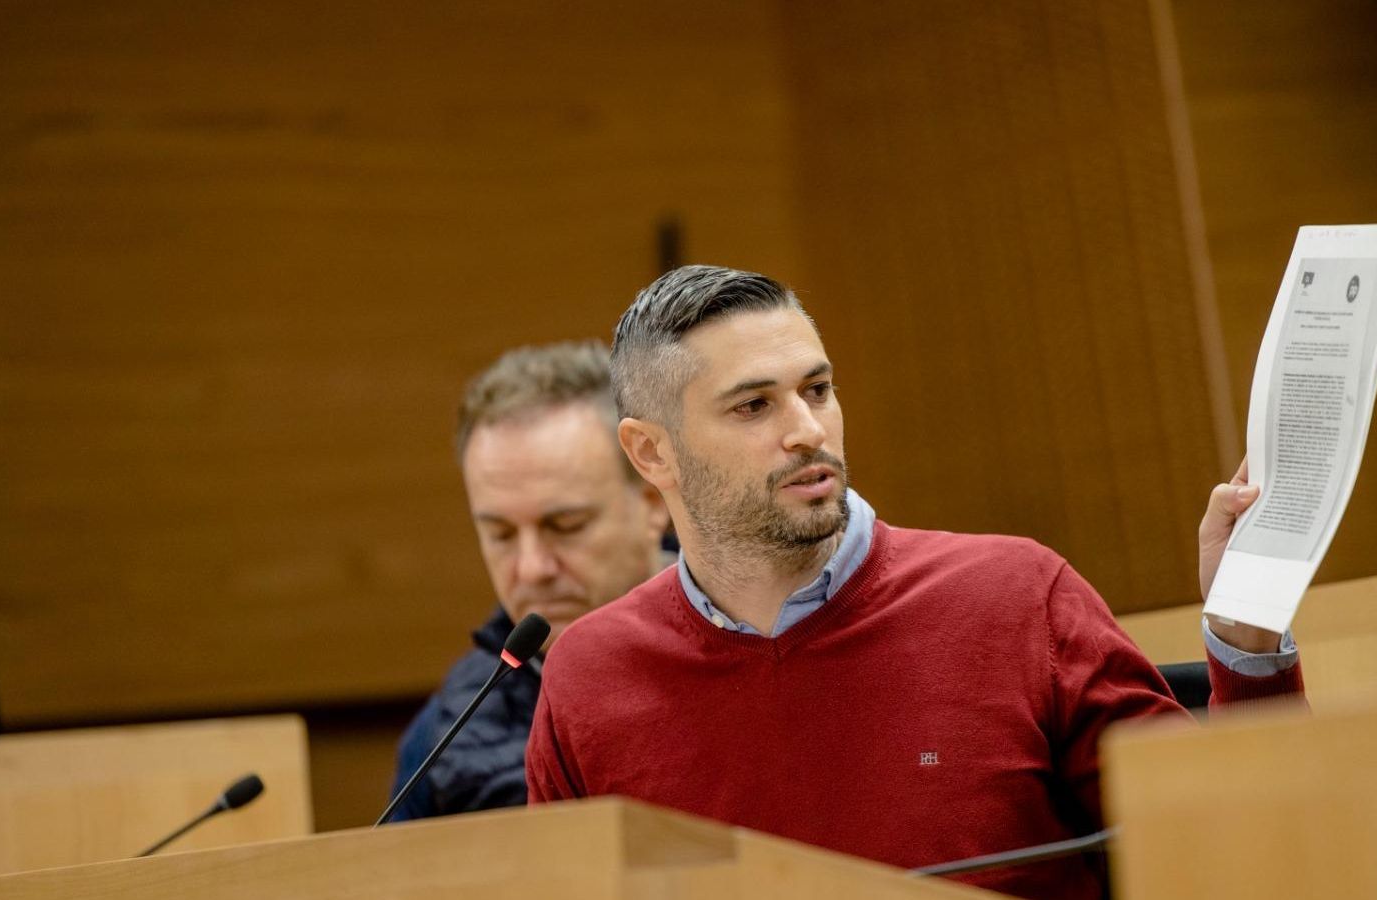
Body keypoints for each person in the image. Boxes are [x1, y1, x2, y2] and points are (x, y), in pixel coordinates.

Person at [525, 266, 1302, 898]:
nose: (807, 430)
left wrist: (1246, 635)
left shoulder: (1017, 595)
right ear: (651, 454)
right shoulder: (589, 679)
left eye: (818, 390)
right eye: (755, 405)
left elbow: (1227, 857)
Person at [387, 341, 671, 821]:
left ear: (653, 503)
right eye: (500, 534)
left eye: (566, 525)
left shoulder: (759, 649)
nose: (532, 568)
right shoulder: (444, 736)